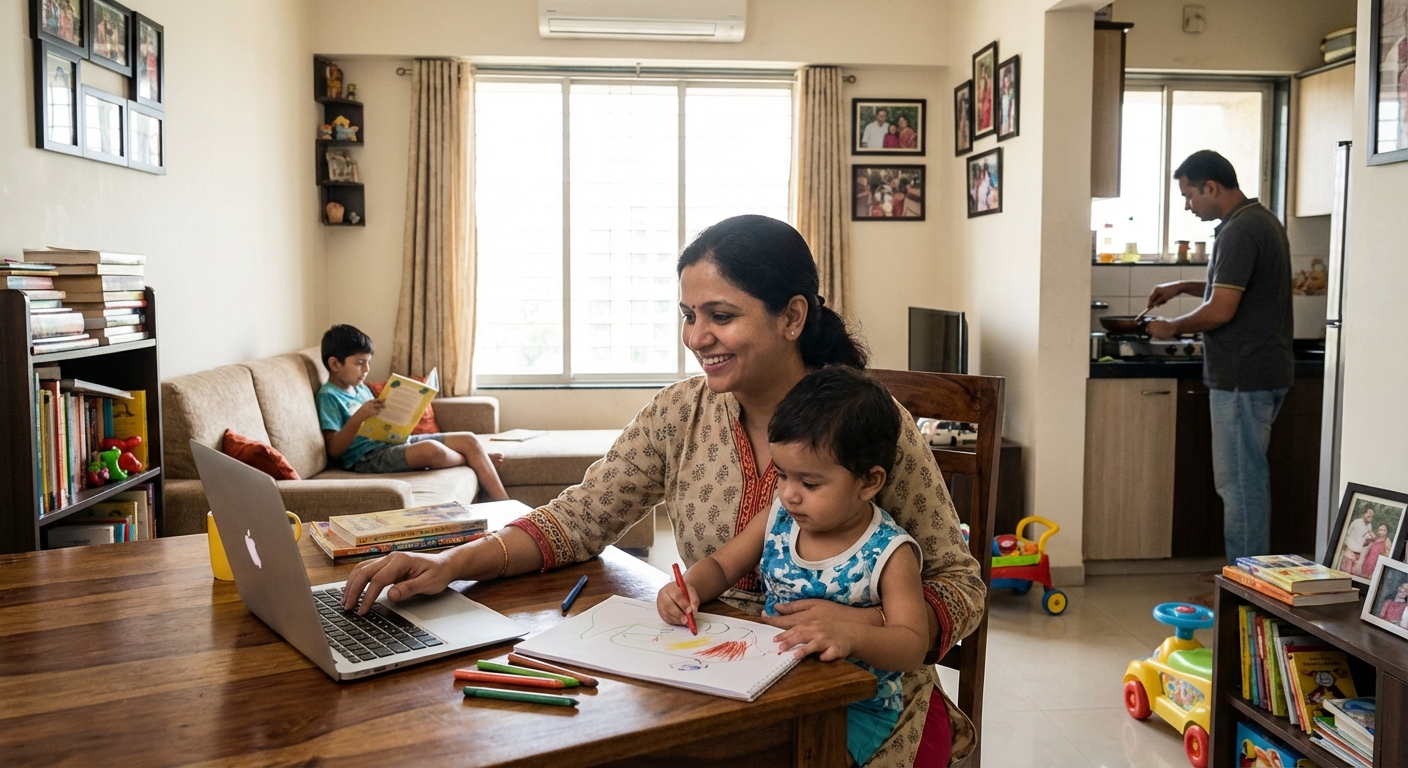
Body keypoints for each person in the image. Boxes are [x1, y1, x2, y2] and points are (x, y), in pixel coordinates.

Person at [340, 215, 986, 767]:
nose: (695, 336)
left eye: (721, 316)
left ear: (792, 316)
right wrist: (449, 566)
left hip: (860, 706)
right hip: (718, 685)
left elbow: (961, 583)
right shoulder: (682, 413)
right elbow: (578, 520)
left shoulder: (871, 425)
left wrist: (869, 622)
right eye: (688, 315)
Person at [658, 366, 929, 767]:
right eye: (783, 475)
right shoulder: (779, 518)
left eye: (810, 483)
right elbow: (720, 565)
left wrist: (851, 635)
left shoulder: (889, 552)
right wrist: (689, 588)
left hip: (853, 706)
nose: (789, 494)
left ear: (869, 482)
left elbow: (911, 645)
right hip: (772, 682)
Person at [1145, 150, 1293, 562]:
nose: (1187, 205)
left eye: (1189, 195)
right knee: (1245, 483)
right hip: (1258, 372)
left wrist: (1170, 327)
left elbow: (1222, 308)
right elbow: (1231, 288)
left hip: (1244, 376)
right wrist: (1181, 286)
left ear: (1211, 187)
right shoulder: (1255, 220)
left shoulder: (1239, 231)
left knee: (1240, 486)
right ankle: (1242, 580)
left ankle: (1243, 591)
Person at [315, 324, 509, 500]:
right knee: (432, 450)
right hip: (367, 457)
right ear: (334, 364)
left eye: (368, 362)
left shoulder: (360, 388)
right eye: (359, 363)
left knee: (469, 439)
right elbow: (333, 450)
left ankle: (507, 505)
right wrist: (359, 417)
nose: (366, 369)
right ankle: (473, 460)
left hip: (393, 441)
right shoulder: (329, 396)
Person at [1338, 507, 1375, 574]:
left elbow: (1366, 541)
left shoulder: (1369, 526)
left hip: (1359, 557)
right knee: (1344, 576)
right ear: (1363, 514)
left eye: (1372, 514)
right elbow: (1347, 534)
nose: (1370, 515)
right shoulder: (1356, 522)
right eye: (1369, 513)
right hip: (1349, 554)